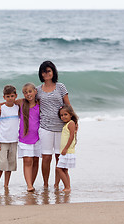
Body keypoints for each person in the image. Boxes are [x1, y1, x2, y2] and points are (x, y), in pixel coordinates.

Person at [36, 60, 71, 188]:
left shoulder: (61, 87)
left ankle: (56, 184)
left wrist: (74, 122)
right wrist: (2, 104)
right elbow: (27, 102)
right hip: (45, 128)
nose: (46, 74)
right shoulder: (37, 90)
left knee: (59, 158)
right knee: (46, 158)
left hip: (61, 127)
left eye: (48, 71)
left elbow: (68, 106)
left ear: (53, 72)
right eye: (43, 72)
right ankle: (45, 184)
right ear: (41, 74)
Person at [0, 85, 19, 189]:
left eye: (12, 96)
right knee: (2, 163)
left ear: (15, 96)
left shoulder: (18, 108)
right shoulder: (1, 109)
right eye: (8, 96)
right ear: (4, 97)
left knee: (10, 164)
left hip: (14, 141)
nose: (10, 98)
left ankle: (6, 184)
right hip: (3, 140)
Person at [17, 83, 41, 192]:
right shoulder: (21, 103)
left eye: (30, 91)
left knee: (35, 160)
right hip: (24, 138)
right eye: (25, 92)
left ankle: (31, 183)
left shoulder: (39, 104)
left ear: (35, 91)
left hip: (37, 138)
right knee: (27, 160)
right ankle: (29, 185)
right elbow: (8, 103)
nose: (28, 94)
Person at [56, 104, 78, 192]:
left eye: (65, 114)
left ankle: (67, 187)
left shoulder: (71, 123)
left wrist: (65, 148)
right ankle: (68, 187)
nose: (63, 117)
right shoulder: (66, 125)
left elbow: (71, 136)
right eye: (61, 115)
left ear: (71, 115)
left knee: (59, 168)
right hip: (65, 151)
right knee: (64, 170)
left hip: (67, 151)